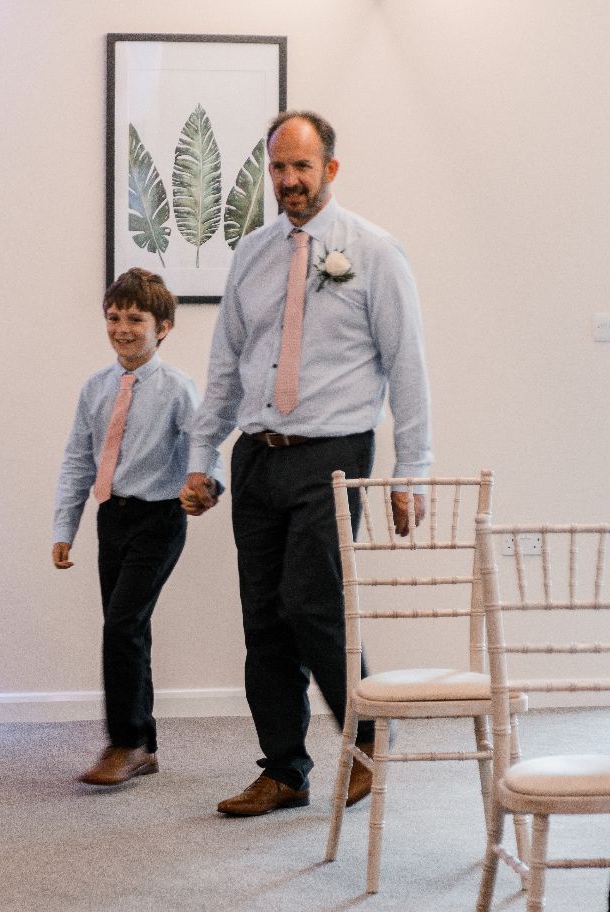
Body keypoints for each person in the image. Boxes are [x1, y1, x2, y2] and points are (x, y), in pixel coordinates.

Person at [180, 111, 431, 816]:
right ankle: (284, 771)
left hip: (334, 454)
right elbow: (225, 364)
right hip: (257, 456)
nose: (290, 181)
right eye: (279, 168)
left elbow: (406, 367)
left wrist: (411, 472)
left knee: (312, 602)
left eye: (303, 167)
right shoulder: (252, 253)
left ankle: (367, 740)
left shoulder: (374, 252)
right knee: (262, 617)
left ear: (331, 169)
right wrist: (204, 460)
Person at [53, 267, 225, 786]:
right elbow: (78, 461)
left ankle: (123, 743)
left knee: (121, 625)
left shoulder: (176, 388)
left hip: (158, 518)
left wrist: (208, 487)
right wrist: (66, 527)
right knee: (131, 629)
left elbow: (204, 443)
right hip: (113, 518)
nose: (123, 328)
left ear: (163, 327)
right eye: (113, 317)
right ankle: (144, 745)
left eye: (135, 318)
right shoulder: (96, 387)